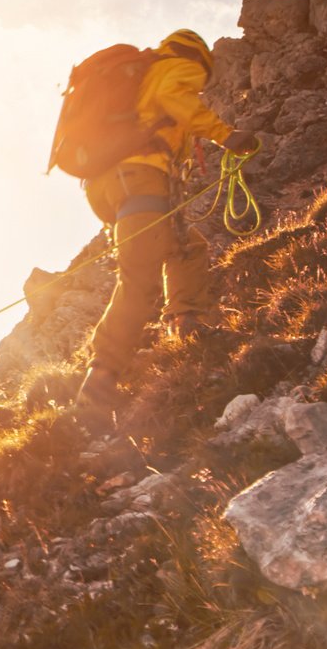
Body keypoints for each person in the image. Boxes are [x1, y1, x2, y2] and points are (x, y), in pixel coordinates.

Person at [71, 30, 257, 407]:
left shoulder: (144, 73)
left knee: (187, 248)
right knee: (139, 280)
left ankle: (185, 324)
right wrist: (226, 135)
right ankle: (100, 379)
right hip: (140, 178)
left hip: (110, 188)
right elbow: (176, 99)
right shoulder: (177, 67)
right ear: (201, 59)